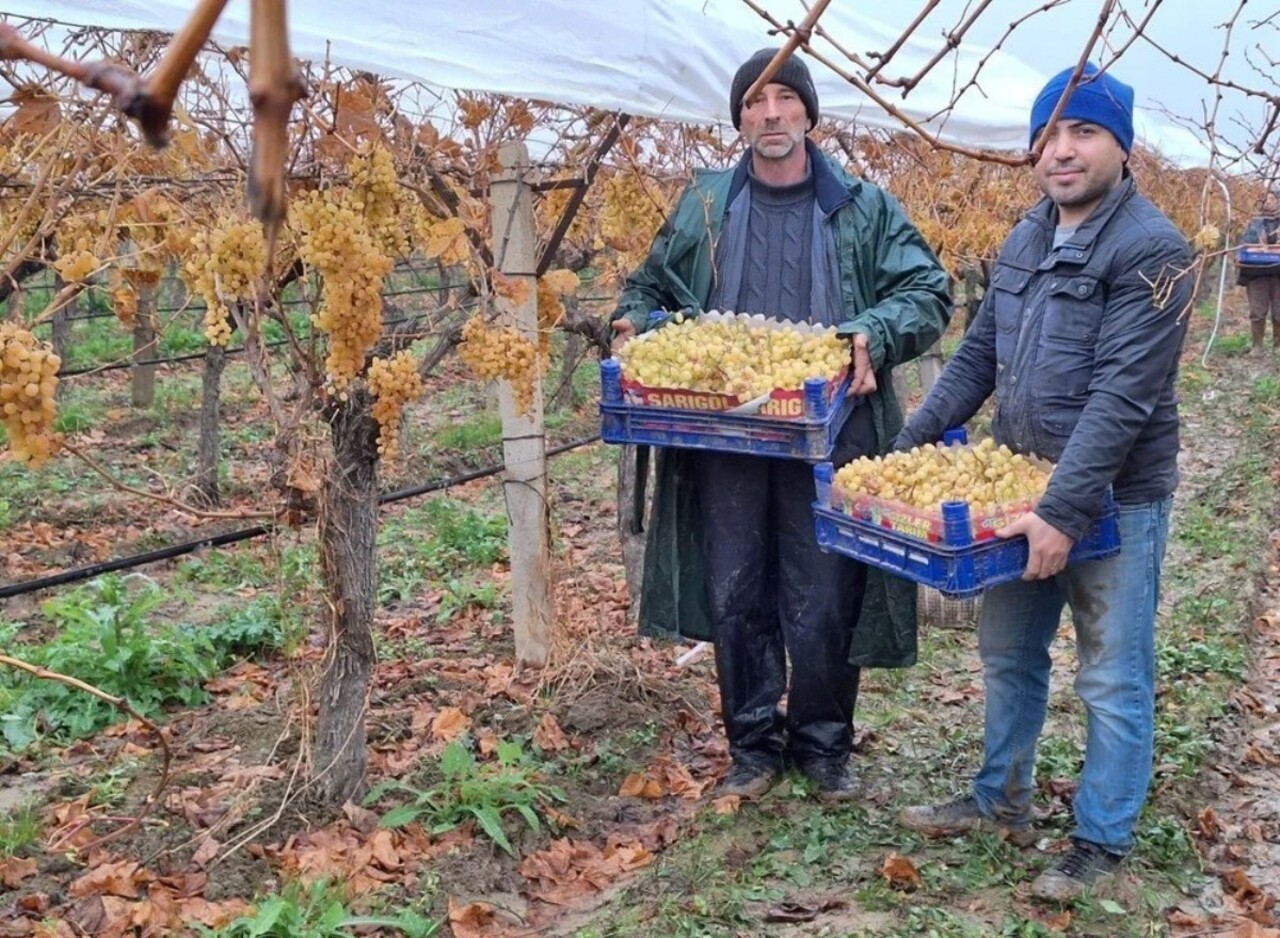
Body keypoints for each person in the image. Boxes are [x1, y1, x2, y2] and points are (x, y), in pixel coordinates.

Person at [608, 48, 950, 803]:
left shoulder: (863, 208)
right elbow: (645, 285)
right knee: (735, 588)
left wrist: (875, 333)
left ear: (807, 113)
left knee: (825, 589)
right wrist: (634, 323)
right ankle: (754, 746)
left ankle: (825, 748)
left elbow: (928, 290)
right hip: (724, 435)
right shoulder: (704, 207)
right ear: (739, 119)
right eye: (755, 103)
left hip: (831, 432)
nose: (770, 115)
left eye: (784, 100)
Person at [894, 63, 1194, 901]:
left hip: (1112, 502)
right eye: (1049, 134)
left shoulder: (1156, 252)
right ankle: (999, 797)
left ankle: (1100, 839)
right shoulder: (1027, 236)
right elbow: (979, 358)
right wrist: (904, 446)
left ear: (1121, 148)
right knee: (1009, 654)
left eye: (1084, 132)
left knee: (1111, 673)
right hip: (1016, 492)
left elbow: (1121, 397)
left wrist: (1062, 510)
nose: (1061, 151)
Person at [1237, 189, 1280, 357]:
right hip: (1256, 271)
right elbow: (1243, 243)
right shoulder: (1253, 222)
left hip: (1278, 273)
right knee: (1257, 310)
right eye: (1266, 199)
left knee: (1279, 311)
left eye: (1273, 198)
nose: (1269, 202)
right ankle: (1257, 347)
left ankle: (1278, 346)